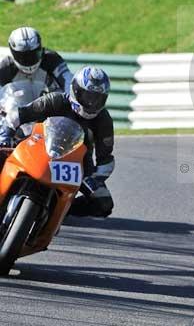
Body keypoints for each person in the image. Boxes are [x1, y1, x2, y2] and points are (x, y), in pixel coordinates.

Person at [2, 66, 115, 218]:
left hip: (78, 163)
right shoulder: (56, 100)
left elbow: (106, 159)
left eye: (97, 98)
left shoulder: (103, 120)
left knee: (104, 204)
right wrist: (5, 136)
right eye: (87, 96)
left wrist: (95, 178)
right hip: (41, 144)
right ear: (75, 90)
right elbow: (19, 115)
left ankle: (60, 210)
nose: (91, 103)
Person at [0, 27, 72, 97]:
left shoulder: (52, 58)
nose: (29, 59)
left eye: (33, 54)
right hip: (19, 107)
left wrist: (71, 98)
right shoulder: (5, 68)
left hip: (52, 105)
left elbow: (68, 80)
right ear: (13, 53)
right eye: (23, 56)